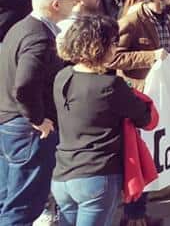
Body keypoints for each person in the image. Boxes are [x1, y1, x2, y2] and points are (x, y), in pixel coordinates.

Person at [51, 14, 154, 226]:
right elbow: (145, 118)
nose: (116, 48)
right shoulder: (110, 86)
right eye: (114, 42)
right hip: (97, 176)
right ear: (100, 46)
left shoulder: (62, 76)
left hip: (62, 174)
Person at [0, 0, 74, 224]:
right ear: (55, 5)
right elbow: (24, 85)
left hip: (11, 123)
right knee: (23, 205)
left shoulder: (21, 27)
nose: (75, 4)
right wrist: (38, 119)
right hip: (27, 129)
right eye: (71, 0)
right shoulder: (39, 37)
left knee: (9, 200)